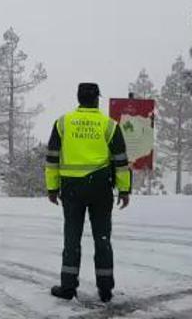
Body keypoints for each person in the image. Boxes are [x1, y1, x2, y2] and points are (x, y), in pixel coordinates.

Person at [45, 83, 131, 303]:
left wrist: (52, 188)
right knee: (102, 238)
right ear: (96, 99)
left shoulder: (63, 122)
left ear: (78, 98)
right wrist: (124, 190)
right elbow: (121, 161)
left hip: (72, 188)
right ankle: (105, 289)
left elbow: (52, 158)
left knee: (71, 238)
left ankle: (67, 287)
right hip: (100, 187)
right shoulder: (109, 125)